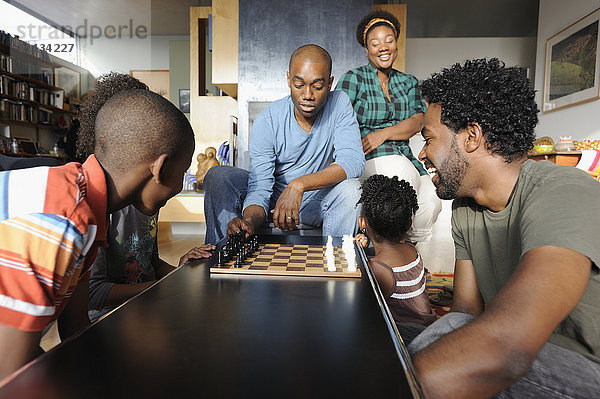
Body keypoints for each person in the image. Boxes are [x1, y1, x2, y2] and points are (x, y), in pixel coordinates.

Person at [411, 58, 600, 398]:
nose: (423, 154)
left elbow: (507, 347)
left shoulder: (564, 190)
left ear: (471, 136)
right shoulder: (466, 208)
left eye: (429, 138)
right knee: (443, 331)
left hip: (585, 372)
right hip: (517, 357)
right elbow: (466, 311)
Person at [0, 73, 196, 381]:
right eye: (182, 172)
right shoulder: (63, 221)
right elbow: (9, 377)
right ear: (160, 168)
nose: (180, 186)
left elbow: (75, 332)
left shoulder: (90, 212)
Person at [75, 73, 215, 323]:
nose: (183, 181)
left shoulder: (144, 202)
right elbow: (93, 294)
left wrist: (181, 274)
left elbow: (147, 262)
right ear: (159, 169)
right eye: (183, 171)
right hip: (110, 317)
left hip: (144, 304)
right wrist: (169, 287)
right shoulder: (85, 212)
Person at [204, 44, 365, 243]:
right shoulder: (268, 120)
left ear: (330, 83)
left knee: (352, 189)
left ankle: (337, 261)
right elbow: (260, 186)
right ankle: (220, 254)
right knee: (218, 176)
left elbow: (353, 162)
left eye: (317, 86)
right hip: (274, 204)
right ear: (288, 79)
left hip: (316, 202)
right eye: (299, 85)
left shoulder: (339, 103)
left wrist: (298, 185)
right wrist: (248, 222)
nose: (307, 95)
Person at [336, 10, 441, 243]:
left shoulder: (408, 81)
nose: (383, 47)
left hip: (404, 156)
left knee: (431, 201)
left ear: (396, 45)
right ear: (367, 49)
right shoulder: (353, 79)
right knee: (400, 174)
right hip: (366, 158)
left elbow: (417, 121)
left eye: (389, 40)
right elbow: (338, 122)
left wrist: (381, 134)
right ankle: (390, 251)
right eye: (375, 43)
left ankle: (408, 250)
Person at [354, 175, 436, 343]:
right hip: (429, 328)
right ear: (409, 224)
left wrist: (357, 255)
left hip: (407, 336)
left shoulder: (377, 268)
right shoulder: (411, 250)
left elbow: (357, 300)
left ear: (362, 223)